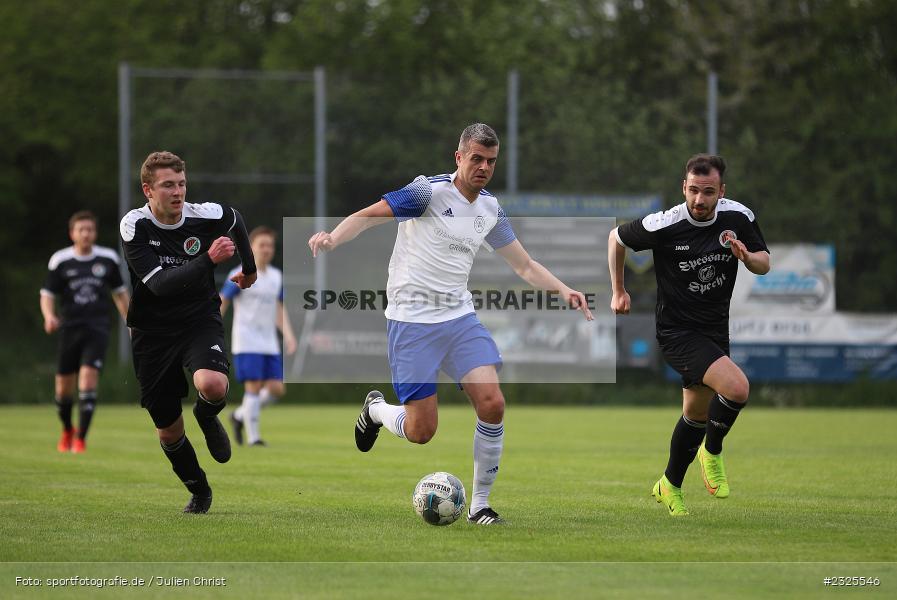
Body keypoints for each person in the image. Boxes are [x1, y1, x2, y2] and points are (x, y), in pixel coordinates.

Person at [309, 123, 593, 525]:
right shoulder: (427, 192)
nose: (484, 167)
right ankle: (376, 410)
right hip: (411, 322)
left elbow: (525, 265)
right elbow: (369, 216)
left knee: (492, 403)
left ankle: (480, 506)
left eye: (491, 161)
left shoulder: (490, 209)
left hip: (459, 319)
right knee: (422, 431)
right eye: (476, 158)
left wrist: (563, 289)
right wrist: (334, 238)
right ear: (459, 157)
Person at [608, 153, 770, 516]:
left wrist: (747, 257)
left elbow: (764, 263)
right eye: (693, 190)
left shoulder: (738, 217)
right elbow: (615, 238)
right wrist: (618, 290)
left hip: (715, 329)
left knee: (695, 415)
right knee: (737, 388)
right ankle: (712, 452)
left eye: (708, 192)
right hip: (677, 331)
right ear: (684, 187)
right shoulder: (665, 223)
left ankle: (669, 485)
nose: (699, 199)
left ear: (721, 191)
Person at [120, 151, 256, 514]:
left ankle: (207, 415)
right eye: (168, 185)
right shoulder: (135, 225)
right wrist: (208, 259)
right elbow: (160, 285)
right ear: (148, 190)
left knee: (213, 385)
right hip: (151, 331)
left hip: (198, 318)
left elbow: (235, 218)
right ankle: (199, 489)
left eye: (181, 184)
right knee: (168, 431)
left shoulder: (203, 214)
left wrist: (250, 268)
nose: (178, 192)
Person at [40, 211, 130, 453]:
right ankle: (67, 429)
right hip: (69, 329)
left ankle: (81, 438)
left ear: (95, 233)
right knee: (63, 390)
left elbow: (120, 294)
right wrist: (49, 316)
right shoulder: (61, 260)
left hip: (97, 327)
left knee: (88, 380)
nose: (86, 234)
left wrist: (131, 323)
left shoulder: (108, 259)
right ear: (72, 233)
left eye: (90, 229)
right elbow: (47, 294)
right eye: (81, 230)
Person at [220, 226, 297, 447]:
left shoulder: (276, 276)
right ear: (251, 247)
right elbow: (223, 300)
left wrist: (289, 335)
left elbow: (278, 309)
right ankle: (254, 438)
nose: (266, 249)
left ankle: (239, 416)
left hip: (269, 341)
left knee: (276, 388)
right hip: (246, 340)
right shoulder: (240, 272)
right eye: (261, 245)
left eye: (270, 245)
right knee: (253, 386)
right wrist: (212, 327)